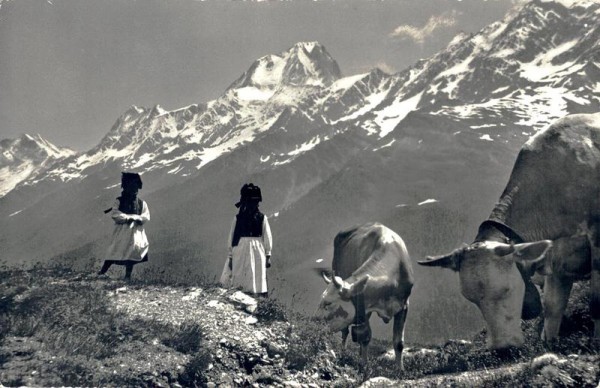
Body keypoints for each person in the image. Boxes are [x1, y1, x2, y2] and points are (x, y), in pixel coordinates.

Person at [220, 183, 273, 296]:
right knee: (241, 272)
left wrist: (268, 255)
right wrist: (230, 256)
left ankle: (256, 296)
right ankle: (239, 294)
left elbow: (267, 236)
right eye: (250, 202)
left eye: (254, 202)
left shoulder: (262, 218)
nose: (252, 205)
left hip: (257, 250)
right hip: (240, 249)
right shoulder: (238, 219)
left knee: (255, 273)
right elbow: (232, 236)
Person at [98, 172, 150, 280]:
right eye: (132, 187)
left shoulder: (141, 203)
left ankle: (127, 276)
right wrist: (127, 218)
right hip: (122, 232)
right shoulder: (119, 201)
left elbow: (146, 216)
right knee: (114, 252)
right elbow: (115, 214)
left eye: (136, 188)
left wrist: (136, 218)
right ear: (126, 187)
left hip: (135, 233)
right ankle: (102, 272)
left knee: (131, 254)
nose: (134, 190)